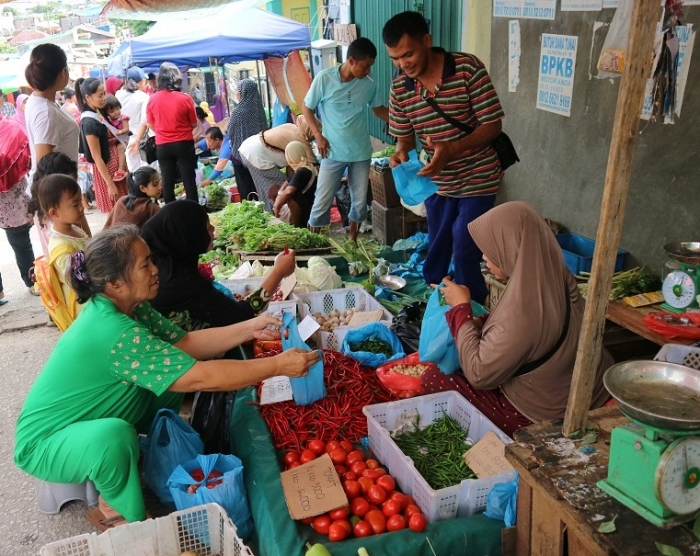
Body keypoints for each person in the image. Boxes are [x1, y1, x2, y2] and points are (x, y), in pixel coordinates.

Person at [14, 224, 318, 529]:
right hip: (43, 444)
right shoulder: (115, 331)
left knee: (168, 383)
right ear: (115, 283)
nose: (156, 270)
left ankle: (127, 461)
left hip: (79, 421)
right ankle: (119, 513)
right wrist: (277, 366)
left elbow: (186, 345)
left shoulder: (130, 308)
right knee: (115, 435)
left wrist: (249, 327)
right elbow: (198, 377)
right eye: (145, 265)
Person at [421, 202, 613, 437]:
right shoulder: (549, 271)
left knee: (434, 377)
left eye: (491, 249)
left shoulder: (521, 313)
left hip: (544, 413)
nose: (483, 256)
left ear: (511, 249)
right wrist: (480, 323)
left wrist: (461, 309)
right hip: (587, 387)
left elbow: (479, 374)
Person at [382, 11, 504, 304]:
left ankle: (473, 312)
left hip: (478, 177)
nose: (403, 64)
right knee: (436, 248)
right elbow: (404, 139)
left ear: (427, 40)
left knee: (464, 246)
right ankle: (437, 304)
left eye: (408, 54)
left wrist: (453, 148)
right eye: (395, 58)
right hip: (437, 182)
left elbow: (493, 125)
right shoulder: (400, 87)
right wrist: (399, 154)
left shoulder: (467, 68)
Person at [141, 200, 296, 329]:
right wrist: (278, 273)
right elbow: (239, 316)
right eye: (207, 227)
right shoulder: (178, 281)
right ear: (189, 236)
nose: (213, 230)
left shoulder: (162, 259)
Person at [301, 37, 388, 242]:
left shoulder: (369, 84)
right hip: (332, 151)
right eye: (365, 66)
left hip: (360, 152)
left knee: (359, 203)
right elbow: (307, 107)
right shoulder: (324, 79)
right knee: (322, 201)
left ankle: (352, 241)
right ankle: (313, 244)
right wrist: (318, 135)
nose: (368, 71)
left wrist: (406, 122)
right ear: (351, 60)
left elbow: (379, 110)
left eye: (370, 66)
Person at [36, 174, 88, 323]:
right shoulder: (62, 247)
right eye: (75, 204)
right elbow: (79, 282)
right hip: (84, 308)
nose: (81, 207)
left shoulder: (75, 229)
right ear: (54, 213)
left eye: (80, 201)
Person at [237, 115, 318, 211]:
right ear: (309, 128)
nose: (317, 135)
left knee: (265, 188)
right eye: (316, 131)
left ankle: (270, 213)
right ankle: (283, 215)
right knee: (279, 190)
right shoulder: (299, 138)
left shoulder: (292, 127)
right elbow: (314, 166)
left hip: (249, 148)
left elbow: (291, 166)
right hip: (255, 154)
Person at [146, 63, 198, 203]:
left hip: (163, 146)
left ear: (160, 79)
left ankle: (171, 214)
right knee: (189, 179)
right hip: (184, 144)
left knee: (167, 181)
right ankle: (194, 212)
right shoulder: (185, 98)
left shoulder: (153, 99)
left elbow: (150, 123)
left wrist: (163, 132)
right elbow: (194, 123)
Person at [74, 77, 128, 213]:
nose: (104, 98)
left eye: (104, 93)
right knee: (117, 213)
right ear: (88, 97)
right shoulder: (89, 123)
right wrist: (110, 184)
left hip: (117, 170)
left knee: (124, 210)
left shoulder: (98, 112)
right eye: (100, 95)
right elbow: (97, 157)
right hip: (107, 173)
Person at [24, 44, 79, 170]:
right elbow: (45, 170)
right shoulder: (45, 112)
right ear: (63, 72)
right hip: (57, 188)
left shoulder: (37, 100)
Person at [0, 116, 37, 303]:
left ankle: (32, 281)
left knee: (21, 242)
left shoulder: (9, 127)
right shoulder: (9, 127)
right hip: (11, 201)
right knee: (21, 242)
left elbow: (25, 158)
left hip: (11, 200)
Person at [226, 79, 268, 204]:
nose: (237, 94)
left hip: (240, 155)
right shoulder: (259, 110)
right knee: (258, 185)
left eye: (238, 91)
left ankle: (249, 208)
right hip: (258, 154)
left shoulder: (238, 111)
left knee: (245, 188)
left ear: (243, 93)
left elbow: (230, 130)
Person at [273, 141, 318, 229]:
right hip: (310, 207)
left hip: (307, 213)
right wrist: (279, 195)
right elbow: (287, 182)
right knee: (275, 190)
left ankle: (297, 228)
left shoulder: (303, 172)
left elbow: (289, 191)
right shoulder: (306, 167)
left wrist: (277, 206)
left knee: (291, 196)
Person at [115, 66, 149, 172]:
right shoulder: (144, 97)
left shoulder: (118, 94)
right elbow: (145, 121)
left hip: (124, 140)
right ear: (141, 82)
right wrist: (138, 141)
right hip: (140, 140)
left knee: (133, 173)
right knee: (146, 173)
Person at [104, 95, 130, 179]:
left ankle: (121, 169)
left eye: (117, 109)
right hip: (117, 140)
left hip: (123, 140)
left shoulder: (122, 118)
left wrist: (121, 131)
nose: (116, 112)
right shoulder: (108, 120)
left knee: (120, 149)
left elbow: (126, 129)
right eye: (112, 111)